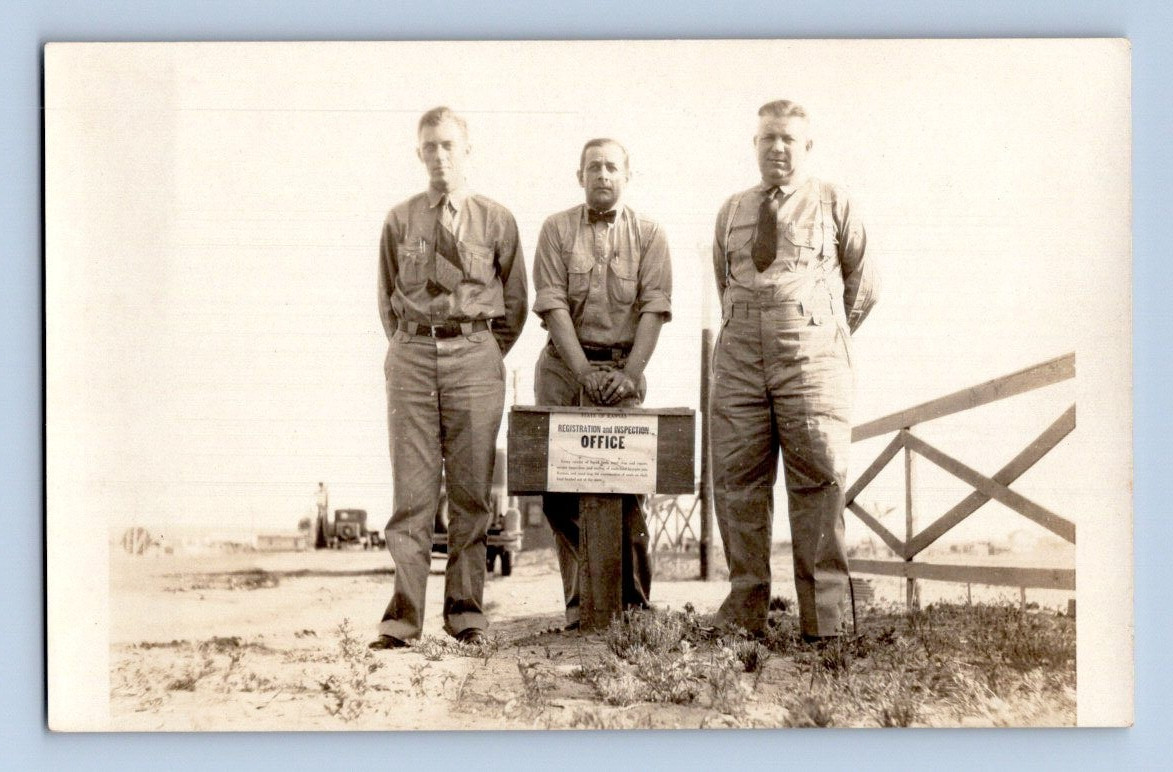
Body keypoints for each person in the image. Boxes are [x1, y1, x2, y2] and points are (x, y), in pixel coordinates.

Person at [710, 100, 879, 640]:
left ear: (807, 146)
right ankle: (744, 614)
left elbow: (864, 286)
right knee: (737, 482)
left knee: (819, 480)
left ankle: (826, 622)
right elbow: (725, 284)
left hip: (810, 360)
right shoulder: (733, 209)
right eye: (766, 139)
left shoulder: (833, 202)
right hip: (739, 361)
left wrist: (818, 335)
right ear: (754, 144)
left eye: (787, 139)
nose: (776, 148)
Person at [371, 107, 527, 649]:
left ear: (467, 149)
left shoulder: (497, 220)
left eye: (449, 146)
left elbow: (516, 304)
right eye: (429, 147)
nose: (440, 156)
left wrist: (480, 349)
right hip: (413, 355)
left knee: (471, 496)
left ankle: (466, 616)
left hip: (475, 357)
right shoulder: (399, 219)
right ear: (419, 154)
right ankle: (402, 622)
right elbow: (387, 298)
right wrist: (412, 342)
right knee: (411, 496)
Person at [532, 138, 672, 630]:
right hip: (563, 370)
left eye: (612, 167)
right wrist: (583, 374)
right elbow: (552, 307)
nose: (603, 175)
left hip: (623, 371)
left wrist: (628, 378)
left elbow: (655, 309)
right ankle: (581, 603)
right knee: (558, 492)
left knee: (628, 488)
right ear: (580, 176)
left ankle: (633, 607)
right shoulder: (555, 230)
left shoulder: (651, 234)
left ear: (627, 175)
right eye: (593, 167)